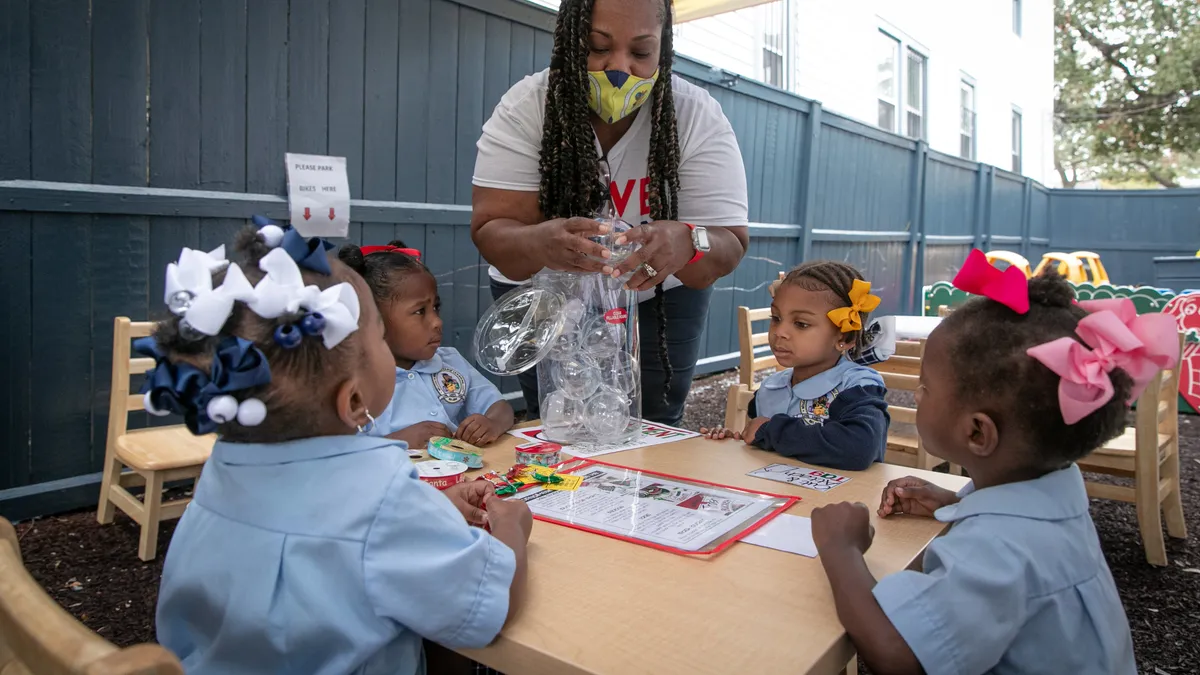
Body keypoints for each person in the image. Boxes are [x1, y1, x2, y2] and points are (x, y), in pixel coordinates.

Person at [151, 224, 532, 675]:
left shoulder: (222, 471)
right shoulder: (382, 496)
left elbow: (326, 527)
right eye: (379, 341)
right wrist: (513, 528)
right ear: (353, 400)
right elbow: (489, 605)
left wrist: (427, 506)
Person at [810, 250, 1176, 675]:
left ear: (977, 433)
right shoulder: (1054, 485)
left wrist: (842, 550)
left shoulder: (998, 548)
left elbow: (899, 656)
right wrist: (954, 500)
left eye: (925, 388)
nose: (916, 395)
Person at [470, 0, 749, 426]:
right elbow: (492, 232)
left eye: (641, 53)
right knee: (559, 421)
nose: (619, 69)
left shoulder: (695, 114)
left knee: (654, 424)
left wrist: (689, 240)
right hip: (543, 290)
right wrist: (540, 242)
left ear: (664, 48)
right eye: (597, 46)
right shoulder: (529, 106)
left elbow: (729, 244)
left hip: (660, 297)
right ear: (568, 40)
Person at [700, 261, 890, 471]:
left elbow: (858, 449)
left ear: (843, 336)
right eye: (776, 318)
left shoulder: (857, 387)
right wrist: (736, 440)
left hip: (842, 500)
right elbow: (764, 443)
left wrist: (771, 430)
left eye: (801, 324)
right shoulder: (771, 388)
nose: (779, 331)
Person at [338, 242, 515, 448]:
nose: (437, 321)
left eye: (436, 307)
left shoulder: (450, 362)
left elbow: (500, 407)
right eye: (420, 311)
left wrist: (491, 423)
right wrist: (398, 442)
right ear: (373, 321)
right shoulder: (354, 383)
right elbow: (340, 452)